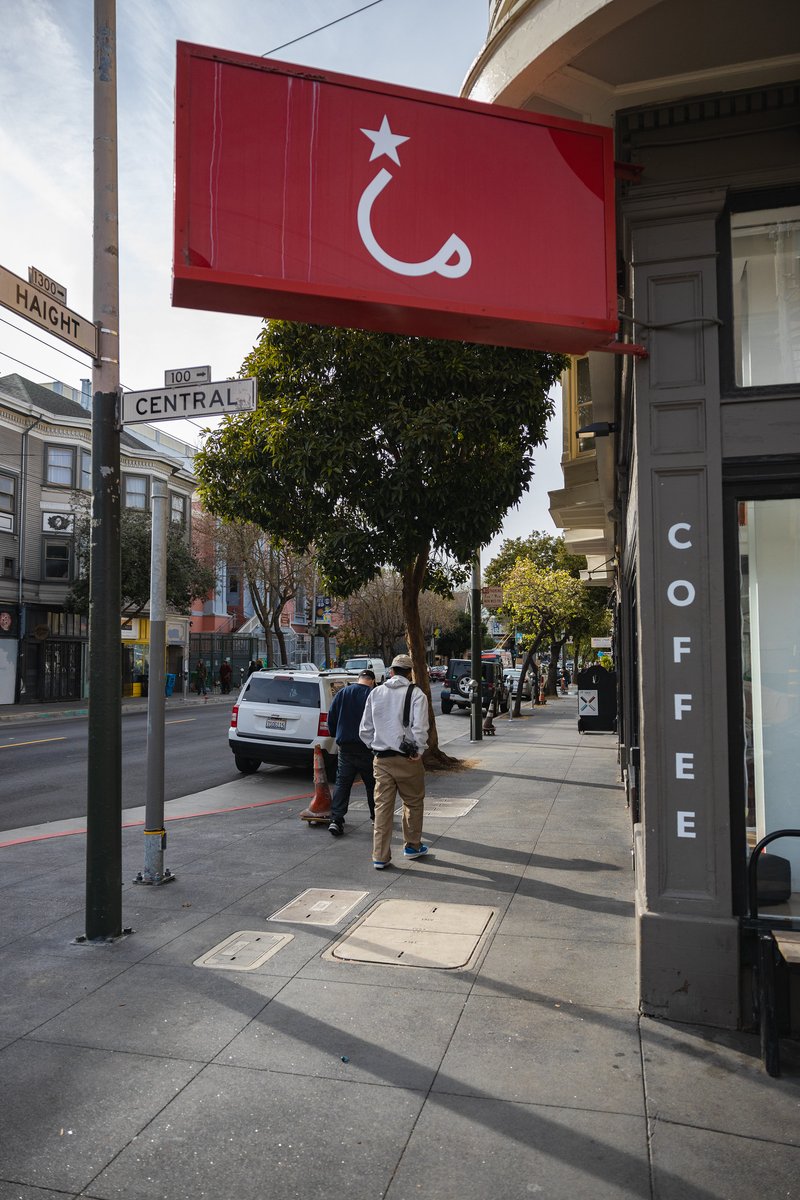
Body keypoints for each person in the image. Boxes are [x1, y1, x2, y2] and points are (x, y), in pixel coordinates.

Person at [359, 653, 430, 869]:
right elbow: (420, 729)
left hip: (381, 759)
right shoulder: (417, 695)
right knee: (414, 802)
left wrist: (374, 746)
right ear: (410, 673)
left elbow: (365, 730)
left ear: (391, 672)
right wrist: (418, 750)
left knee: (382, 807)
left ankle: (380, 856)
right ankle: (413, 846)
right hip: (408, 759)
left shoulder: (375, 693)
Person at [326, 670, 376, 836]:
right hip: (367, 747)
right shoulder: (373, 694)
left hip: (346, 746)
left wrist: (335, 733)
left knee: (342, 783)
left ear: (359, 679)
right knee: (372, 784)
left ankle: (336, 819)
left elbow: (331, 716)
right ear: (372, 681)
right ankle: (376, 818)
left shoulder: (343, 693)